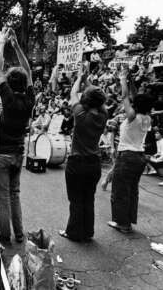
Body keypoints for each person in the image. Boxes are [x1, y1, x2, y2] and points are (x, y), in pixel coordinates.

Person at [0, 27, 34, 244]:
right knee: (15, 194)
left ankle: (5, 235)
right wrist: (15, 46)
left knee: (3, 197)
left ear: (9, 82)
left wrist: (1, 43)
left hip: (1, 154)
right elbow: (29, 70)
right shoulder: (29, 99)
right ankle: (19, 234)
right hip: (18, 153)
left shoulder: (7, 97)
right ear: (25, 83)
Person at [59, 63, 108, 242]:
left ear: (85, 99)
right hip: (94, 162)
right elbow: (99, 99)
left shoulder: (80, 115)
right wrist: (87, 81)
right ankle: (88, 232)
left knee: (76, 200)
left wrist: (80, 78)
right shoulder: (103, 115)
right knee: (89, 198)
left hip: (77, 162)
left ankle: (73, 232)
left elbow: (72, 94)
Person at [108, 66, 153, 234]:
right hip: (139, 157)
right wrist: (130, 80)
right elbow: (134, 97)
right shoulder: (147, 118)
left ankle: (122, 224)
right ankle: (128, 221)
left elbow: (126, 96)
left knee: (120, 191)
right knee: (132, 191)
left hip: (127, 156)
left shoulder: (132, 116)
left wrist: (122, 79)